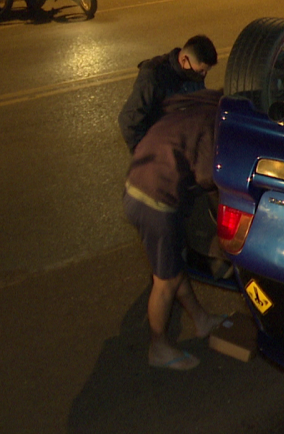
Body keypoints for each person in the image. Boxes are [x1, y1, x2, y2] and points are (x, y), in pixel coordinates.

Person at [124, 89, 227, 370]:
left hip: (136, 188)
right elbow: (208, 175)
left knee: (173, 266)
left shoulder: (188, 106)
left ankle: (201, 320)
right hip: (156, 203)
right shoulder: (211, 122)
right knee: (165, 282)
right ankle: (158, 347)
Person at [118, 35, 218, 153]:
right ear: (184, 60)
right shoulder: (154, 76)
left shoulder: (192, 73)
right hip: (162, 149)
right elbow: (129, 120)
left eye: (206, 71)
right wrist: (145, 154)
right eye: (200, 71)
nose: (202, 75)